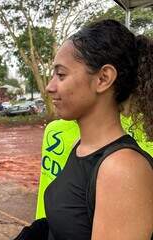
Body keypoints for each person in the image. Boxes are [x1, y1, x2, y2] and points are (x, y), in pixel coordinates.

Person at [44, 19, 153, 239]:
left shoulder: (122, 169)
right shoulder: (81, 147)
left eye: (61, 75)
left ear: (103, 79)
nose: (50, 87)